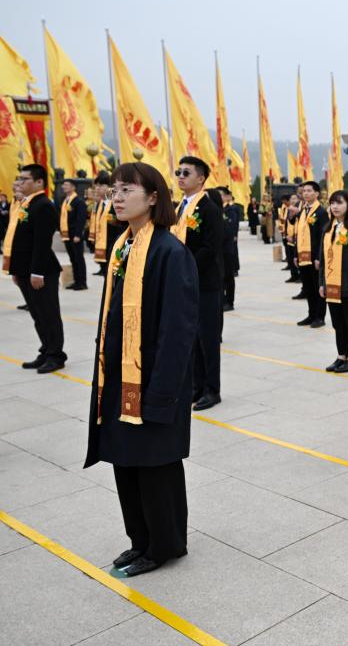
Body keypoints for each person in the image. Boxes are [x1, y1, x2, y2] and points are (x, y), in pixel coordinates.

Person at [85, 161, 198, 579]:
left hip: (153, 380)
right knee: (126, 460)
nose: (116, 197)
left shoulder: (170, 252)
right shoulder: (124, 246)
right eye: (114, 190)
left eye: (126, 190)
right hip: (120, 375)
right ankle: (140, 539)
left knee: (155, 465)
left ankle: (164, 545)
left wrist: (162, 393)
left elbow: (178, 331)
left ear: (153, 198)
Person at [173, 156, 224, 411]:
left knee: (208, 338)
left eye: (186, 173)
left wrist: (186, 266)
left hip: (204, 283)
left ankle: (212, 390)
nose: (181, 177)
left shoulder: (208, 208)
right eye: (178, 172)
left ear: (201, 178)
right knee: (191, 337)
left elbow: (210, 248)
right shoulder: (179, 207)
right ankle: (197, 385)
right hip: (184, 282)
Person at [7, 164, 68, 373]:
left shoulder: (43, 205)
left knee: (48, 314)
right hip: (25, 270)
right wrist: (16, 270)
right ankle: (46, 350)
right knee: (37, 315)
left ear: (39, 182)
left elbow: (42, 243)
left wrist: (37, 272)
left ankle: (56, 355)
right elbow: (20, 240)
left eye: (24, 179)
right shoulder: (26, 203)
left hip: (41, 271)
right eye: (19, 178)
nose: (20, 182)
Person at [320, 190, 348, 373]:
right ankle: (341, 356)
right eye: (332, 203)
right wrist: (322, 283)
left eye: (339, 203)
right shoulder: (328, 228)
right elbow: (324, 258)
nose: (335, 206)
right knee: (337, 323)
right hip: (331, 285)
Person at [294, 181, 327, 328]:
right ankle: (311, 314)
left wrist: (319, 257)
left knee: (317, 288)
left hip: (314, 258)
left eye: (309, 191)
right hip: (303, 257)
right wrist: (296, 254)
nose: (305, 193)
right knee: (308, 288)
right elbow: (298, 234)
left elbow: (323, 237)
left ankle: (320, 317)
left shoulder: (321, 212)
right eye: (304, 191)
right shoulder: (302, 211)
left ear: (316, 193)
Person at [92, 172, 125, 277]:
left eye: (101, 185)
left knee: (114, 273)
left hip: (114, 241)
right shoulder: (100, 203)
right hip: (102, 241)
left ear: (110, 186)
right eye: (96, 185)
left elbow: (120, 222)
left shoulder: (116, 202)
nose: (97, 188)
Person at [59, 179, 89, 290]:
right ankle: (76, 281)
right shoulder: (64, 200)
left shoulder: (78, 201)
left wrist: (78, 234)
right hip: (67, 234)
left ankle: (82, 282)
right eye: (63, 185)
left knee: (78, 258)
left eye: (66, 185)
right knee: (72, 258)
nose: (64, 187)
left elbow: (81, 219)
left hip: (75, 234)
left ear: (73, 187)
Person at [219, 187, 240, 312]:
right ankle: (222, 299)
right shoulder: (217, 209)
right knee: (220, 276)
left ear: (227, 196)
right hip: (218, 249)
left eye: (220, 194)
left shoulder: (230, 210)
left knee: (228, 276)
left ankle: (230, 301)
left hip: (227, 248)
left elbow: (230, 228)